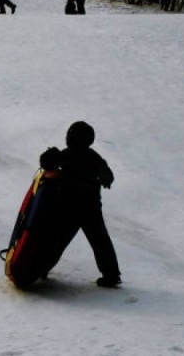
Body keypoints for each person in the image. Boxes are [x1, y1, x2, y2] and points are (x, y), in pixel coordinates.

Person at [57, 121, 121, 287]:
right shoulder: (93, 157)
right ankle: (111, 274)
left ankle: (39, 267)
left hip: (67, 206)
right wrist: (104, 179)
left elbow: (48, 165)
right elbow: (108, 175)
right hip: (90, 207)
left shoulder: (66, 154)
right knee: (100, 241)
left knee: (55, 240)